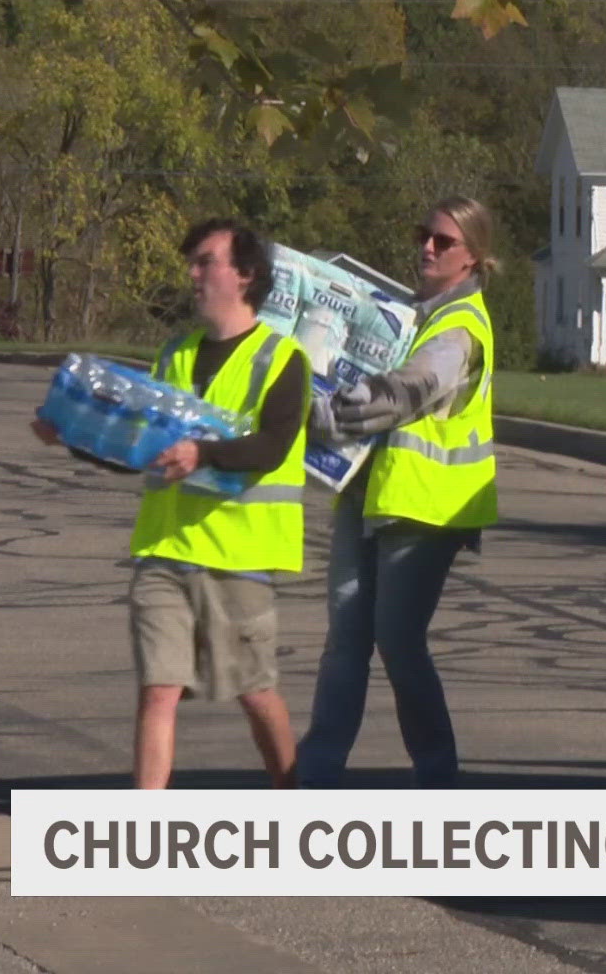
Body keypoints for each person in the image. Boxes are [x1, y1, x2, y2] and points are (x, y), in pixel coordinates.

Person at [32, 220, 311, 789]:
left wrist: (203, 453)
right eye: (192, 262)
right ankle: (145, 836)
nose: (193, 273)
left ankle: (294, 800)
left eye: (206, 261)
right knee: (158, 689)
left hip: (238, 555)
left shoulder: (281, 359)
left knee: (253, 690)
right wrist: (74, 437)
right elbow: (140, 448)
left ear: (245, 275)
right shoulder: (175, 353)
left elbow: (274, 445)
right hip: (163, 551)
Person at [296, 195, 499, 788]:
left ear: (475, 257)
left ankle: (437, 777)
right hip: (368, 496)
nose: (427, 248)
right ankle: (316, 772)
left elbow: (409, 390)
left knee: (398, 642)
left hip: (425, 513)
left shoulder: (461, 329)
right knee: (346, 637)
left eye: (444, 241)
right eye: (424, 235)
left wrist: (319, 416)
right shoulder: (414, 313)